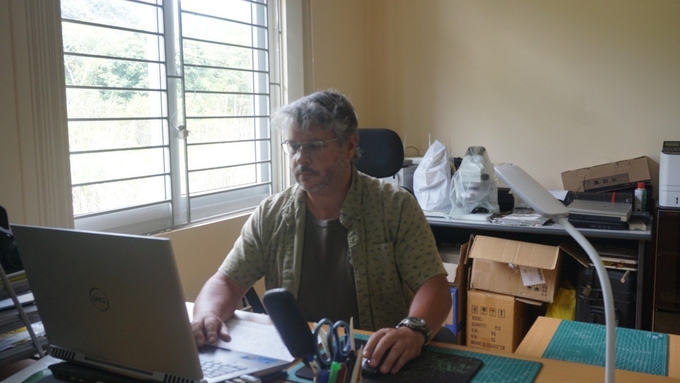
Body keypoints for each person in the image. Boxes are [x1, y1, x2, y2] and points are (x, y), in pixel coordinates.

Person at [191, 90, 452, 374]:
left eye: (314, 146)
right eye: (293, 146)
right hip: (298, 361)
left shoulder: (394, 206)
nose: (300, 159)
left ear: (349, 146)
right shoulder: (271, 214)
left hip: (375, 361)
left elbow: (434, 286)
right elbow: (226, 283)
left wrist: (411, 331)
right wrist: (207, 315)